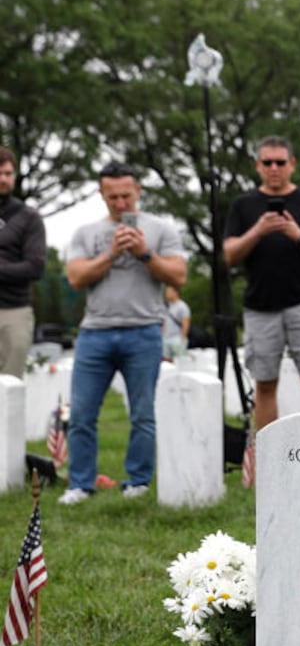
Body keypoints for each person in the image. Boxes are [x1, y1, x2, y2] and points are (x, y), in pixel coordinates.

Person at [59, 162, 188, 504]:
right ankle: (80, 483)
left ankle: (138, 480)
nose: (120, 204)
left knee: (142, 412)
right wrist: (111, 254)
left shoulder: (161, 229)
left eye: (126, 196)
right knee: (83, 413)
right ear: (101, 194)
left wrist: (144, 253)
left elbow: (178, 276)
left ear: (138, 191)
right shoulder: (85, 233)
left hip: (143, 331)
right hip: (94, 333)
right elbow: (75, 277)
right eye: (112, 197)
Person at [225, 135, 300, 436]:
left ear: (292, 164)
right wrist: (258, 231)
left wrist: (298, 234)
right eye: (267, 162)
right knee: (264, 383)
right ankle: (268, 458)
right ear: (257, 166)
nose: (274, 168)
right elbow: (230, 255)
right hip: (260, 306)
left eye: (280, 162)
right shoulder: (243, 205)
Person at [0, 146, 45, 377]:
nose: (3, 179)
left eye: (8, 173)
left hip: (14, 311)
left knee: (9, 386)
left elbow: (35, 266)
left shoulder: (29, 217)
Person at [161, 284, 190, 361]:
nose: (166, 293)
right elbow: (164, 323)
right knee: (167, 363)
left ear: (175, 292)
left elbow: (185, 324)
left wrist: (182, 339)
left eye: (169, 291)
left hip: (177, 339)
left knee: (180, 361)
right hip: (166, 339)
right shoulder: (167, 306)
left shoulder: (182, 306)